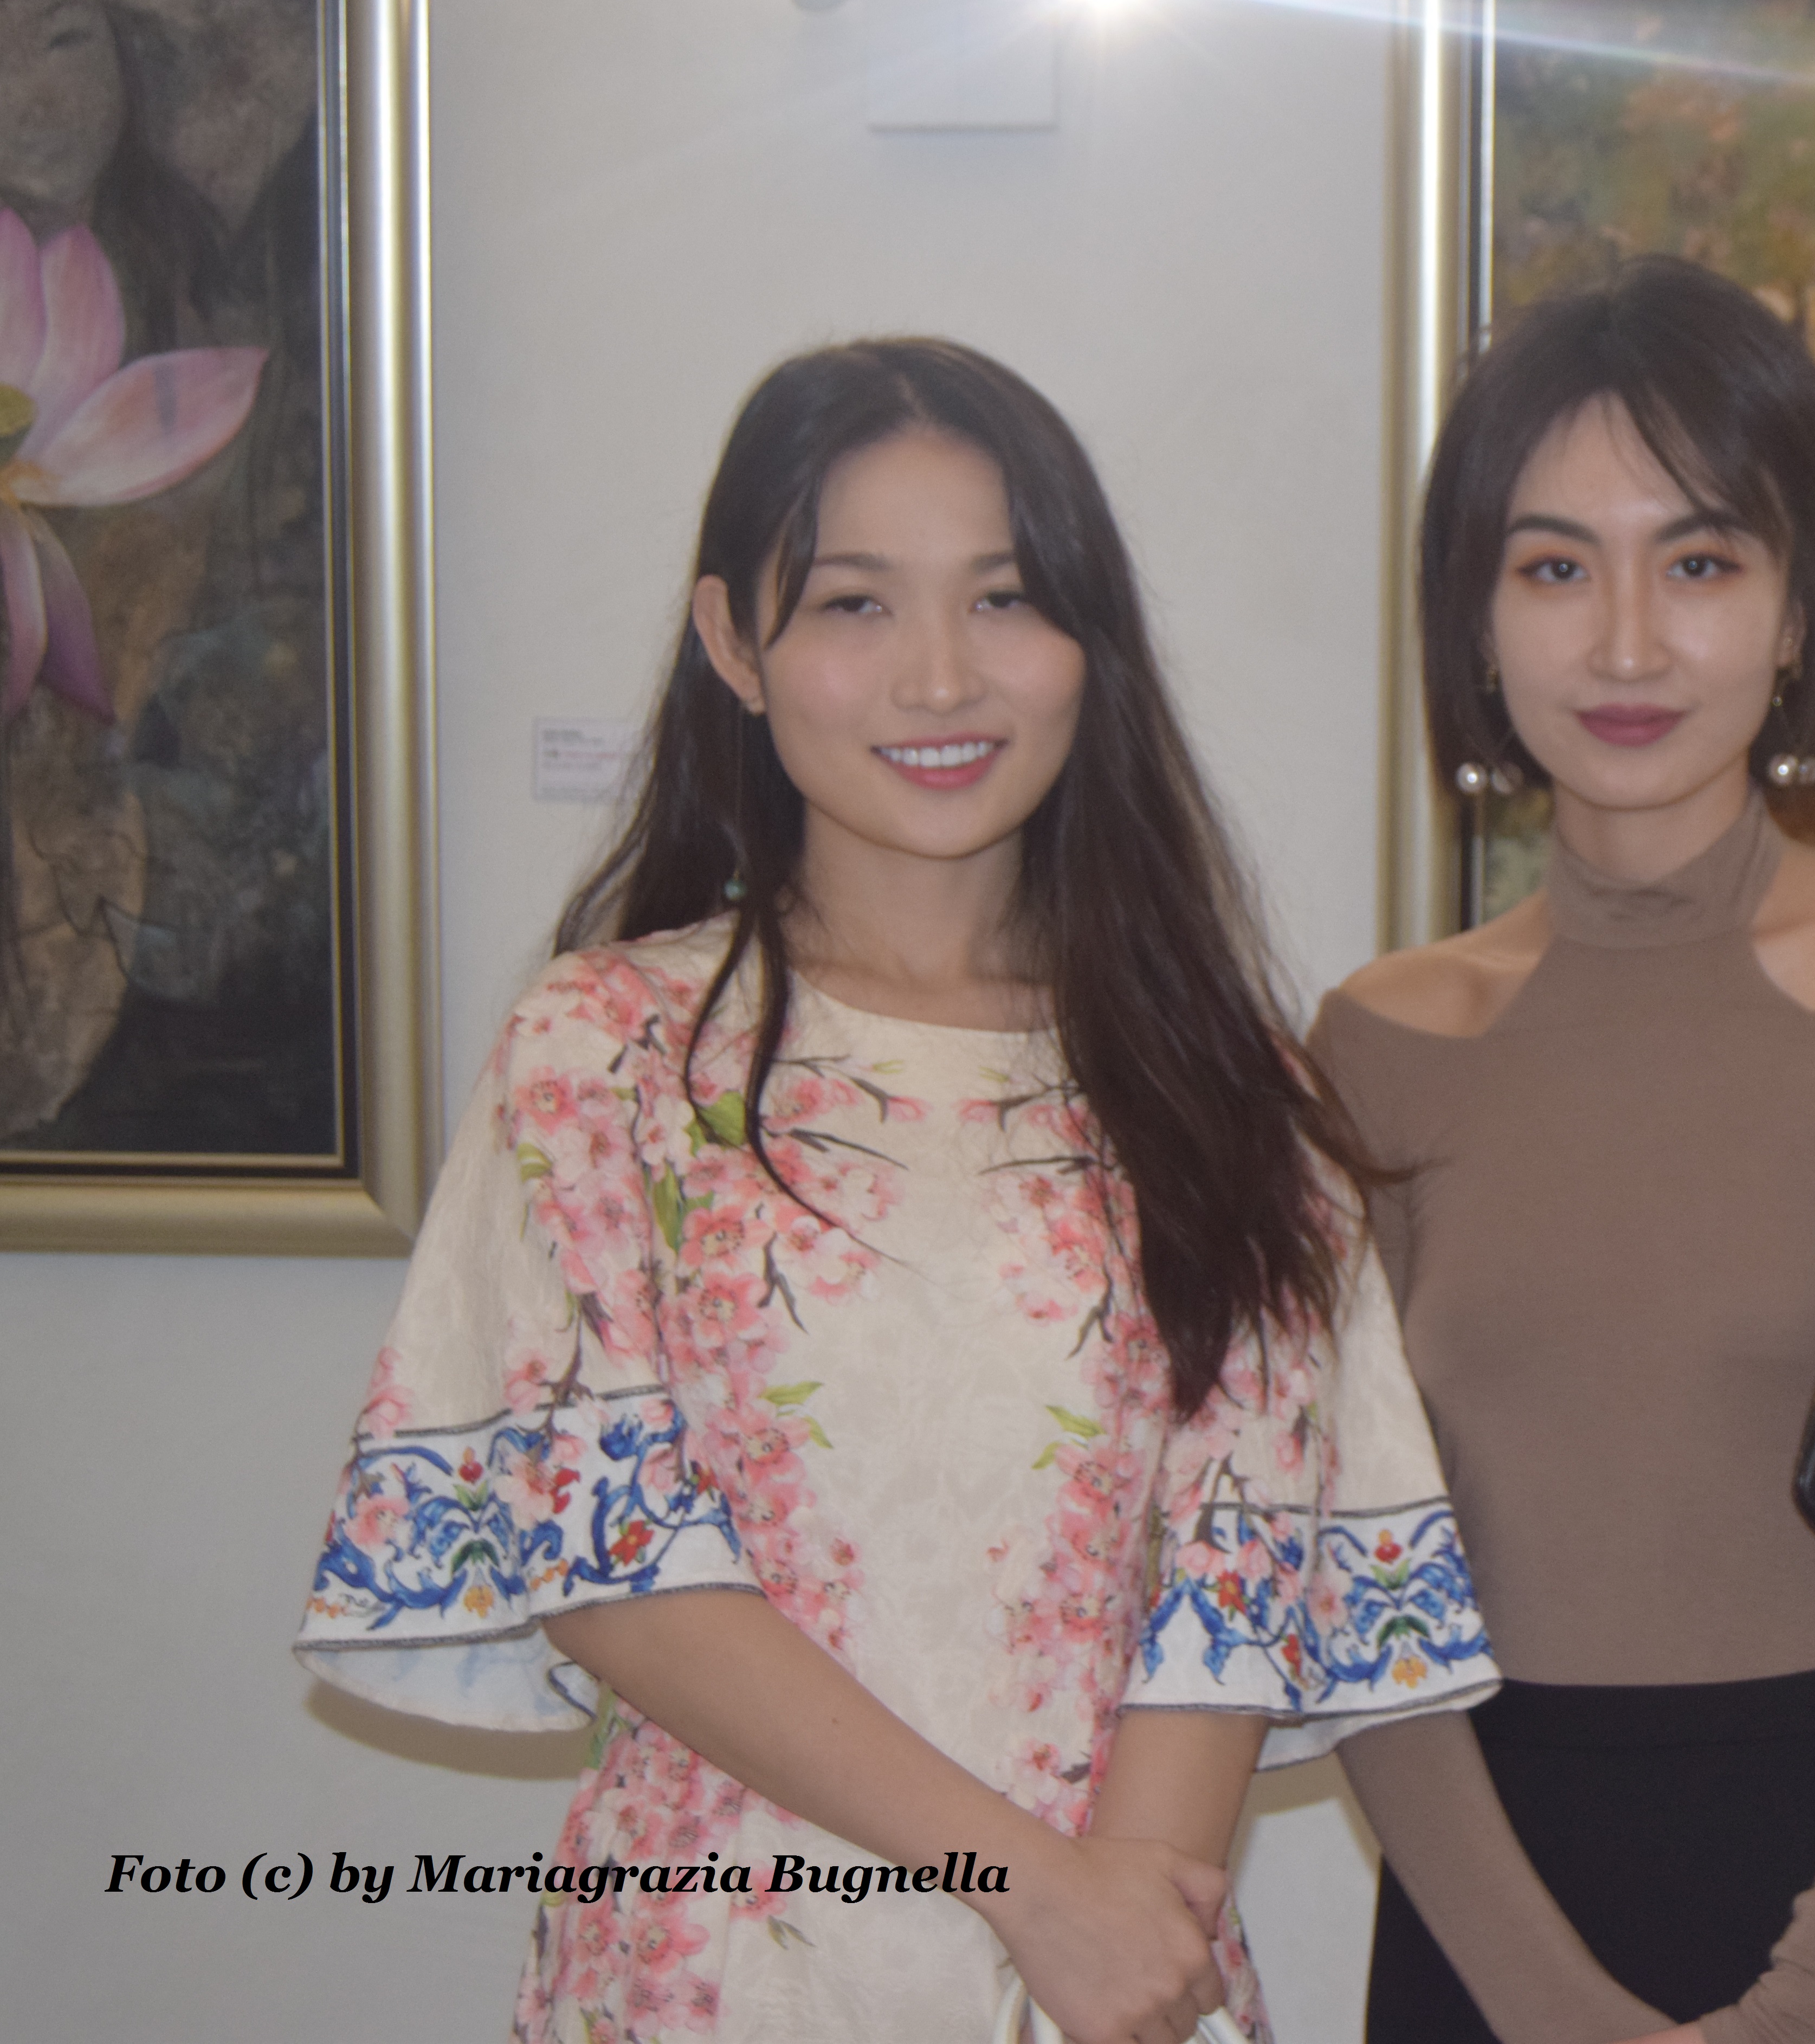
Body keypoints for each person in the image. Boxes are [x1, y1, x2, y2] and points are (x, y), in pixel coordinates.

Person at [293, 338, 1494, 2044]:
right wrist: (1031, 1888)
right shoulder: (606, 1049)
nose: (940, 678)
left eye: (1005, 599)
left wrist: (1106, 1941)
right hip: (710, 1982)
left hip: (1118, 1975)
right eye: (855, 605)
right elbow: (613, 1556)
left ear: (1091, 641)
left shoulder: (1236, 1092)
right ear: (735, 643)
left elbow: (1232, 1574)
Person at [1315, 257, 1815, 2044]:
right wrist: (1543, 2006)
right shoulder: (1377, 1047)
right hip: (1492, 1911)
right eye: (1553, 568)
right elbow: (1354, 1564)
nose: (1625, 644)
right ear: (1475, 616)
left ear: (1802, 605)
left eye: (1697, 563)